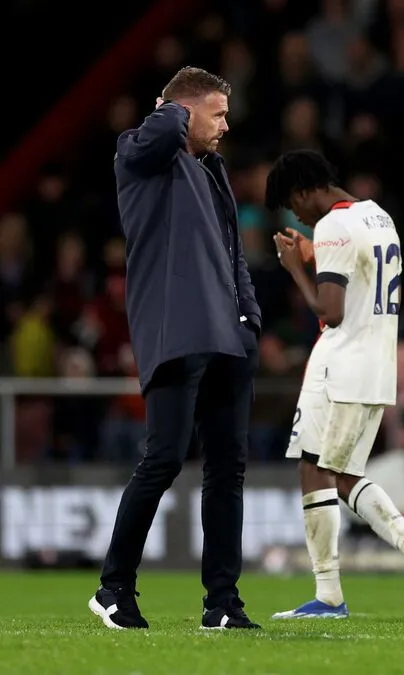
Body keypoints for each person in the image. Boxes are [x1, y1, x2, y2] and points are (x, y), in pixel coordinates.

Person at [92, 66, 262, 630]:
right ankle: (114, 587)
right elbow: (161, 133)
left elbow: (230, 248)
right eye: (217, 114)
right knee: (163, 458)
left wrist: (249, 318)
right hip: (177, 332)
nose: (225, 126)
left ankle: (222, 603)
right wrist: (171, 108)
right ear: (184, 113)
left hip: (227, 337)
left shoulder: (210, 169)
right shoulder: (139, 152)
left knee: (226, 471)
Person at [265, 150, 404, 619]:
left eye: (294, 204)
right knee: (334, 472)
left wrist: (295, 269)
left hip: (340, 363)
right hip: (376, 362)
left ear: (306, 191)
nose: (298, 218)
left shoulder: (331, 225)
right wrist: (314, 253)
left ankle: (373, 575)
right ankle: (397, 564)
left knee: (323, 470)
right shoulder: (378, 216)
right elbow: (362, 272)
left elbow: (331, 311)